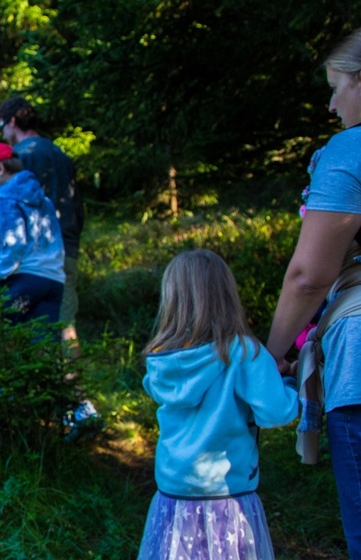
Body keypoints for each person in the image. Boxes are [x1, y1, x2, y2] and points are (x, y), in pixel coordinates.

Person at [265, 28, 361, 557]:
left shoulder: (349, 152)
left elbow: (310, 275)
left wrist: (269, 353)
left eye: (336, 86)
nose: (331, 104)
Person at [139, 249, 299, 560]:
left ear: (171, 300)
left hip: (173, 497)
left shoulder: (161, 359)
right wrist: (291, 384)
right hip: (228, 497)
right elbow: (276, 412)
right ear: (227, 295)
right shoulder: (243, 352)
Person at [0, 97, 84, 344]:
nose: (2, 134)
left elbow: (13, 210)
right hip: (67, 246)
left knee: (28, 326)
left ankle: (38, 381)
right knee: (66, 322)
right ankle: (72, 379)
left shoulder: (20, 157)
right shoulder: (59, 153)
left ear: (13, 121)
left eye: (2, 125)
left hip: (34, 257)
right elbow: (76, 204)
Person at [0, 142, 65, 325]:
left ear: (0, 168)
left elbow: (14, 243)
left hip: (26, 277)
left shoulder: (5, 196)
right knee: (42, 343)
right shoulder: (43, 198)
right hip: (54, 279)